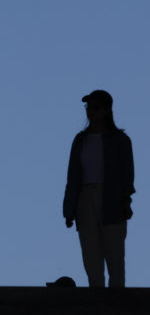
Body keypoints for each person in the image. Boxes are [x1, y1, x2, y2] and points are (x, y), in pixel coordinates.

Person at [63, 90, 135, 288]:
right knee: (91, 257)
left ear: (106, 110)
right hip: (85, 199)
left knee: (115, 257)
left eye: (95, 108)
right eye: (88, 108)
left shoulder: (120, 140)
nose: (90, 112)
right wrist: (69, 209)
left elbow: (127, 174)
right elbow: (73, 176)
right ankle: (97, 303)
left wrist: (126, 200)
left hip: (112, 198)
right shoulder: (81, 140)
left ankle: (117, 303)